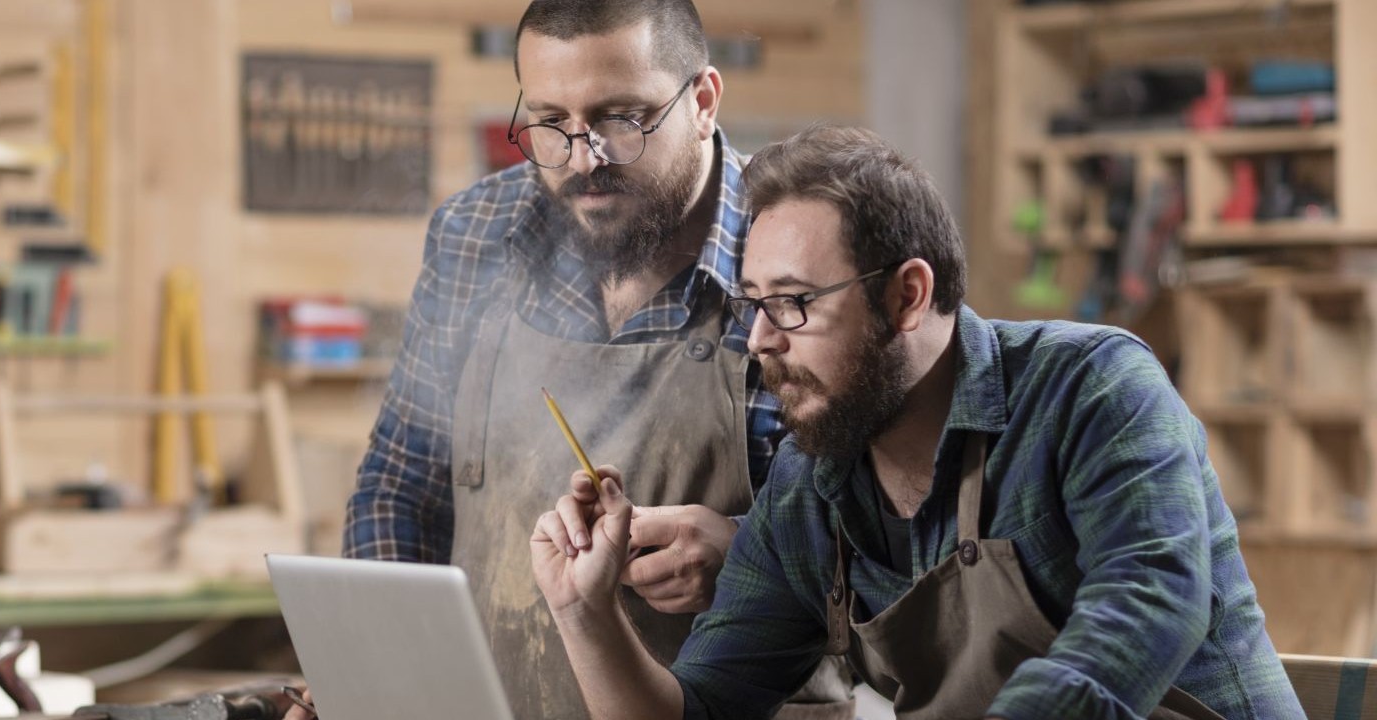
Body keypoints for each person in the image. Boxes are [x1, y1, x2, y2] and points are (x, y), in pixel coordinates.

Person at [531, 125, 1304, 719]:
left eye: (795, 303)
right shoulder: (811, 493)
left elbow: (1149, 607)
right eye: (754, 304)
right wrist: (584, 611)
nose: (761, 338)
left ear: (907, 295)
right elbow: (698, 710)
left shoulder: (1095, 388)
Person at [301, 1, 853, 718]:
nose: (585, 159)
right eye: (552, 124)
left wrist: (750, 557)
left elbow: (885, 539)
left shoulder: (799, 257)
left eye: (622, 119)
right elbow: (402, 485)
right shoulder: (475, 236)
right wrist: (378, 674)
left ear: (705, 101)